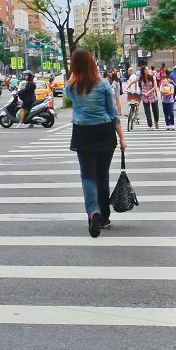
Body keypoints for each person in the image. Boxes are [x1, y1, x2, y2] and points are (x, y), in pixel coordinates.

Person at [64, 48, 127, 237]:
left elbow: (70, 95)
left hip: (82, 133)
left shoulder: (70, 87)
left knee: (88, 176)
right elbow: (113, 114)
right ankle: (105, 217)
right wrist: (122, 137)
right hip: (104, 132)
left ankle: (93, 212)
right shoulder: (104, 85)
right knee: (102, 175)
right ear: (93, 63)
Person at [137, 64, 159, 129]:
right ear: (143, 71)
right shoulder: (140, 78)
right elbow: (135, 82)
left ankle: (156, 121)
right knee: (147, 112)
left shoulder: (152, 77)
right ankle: (150, 125)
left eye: (148, 69)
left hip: (153, 97)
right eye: (146, 69)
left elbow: (155, 87)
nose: (147, 70)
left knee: (156, 111)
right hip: (145, 97)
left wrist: (148, 92)